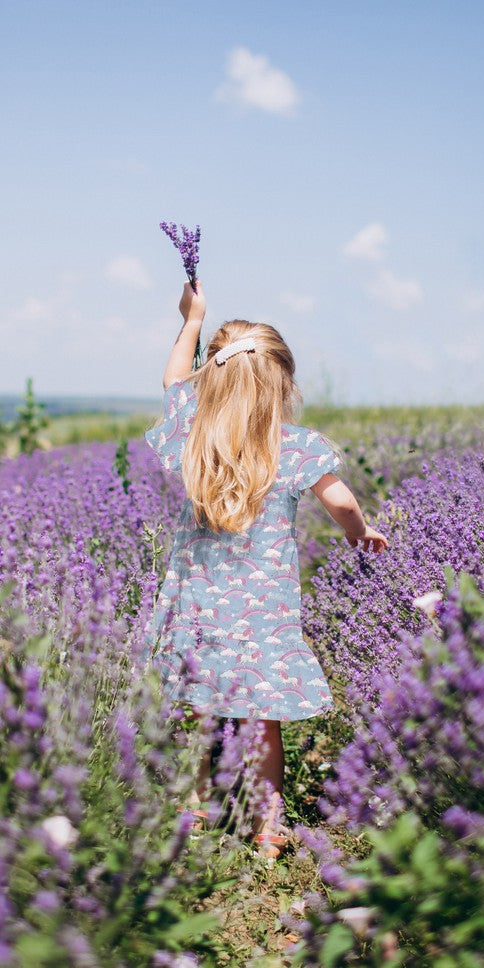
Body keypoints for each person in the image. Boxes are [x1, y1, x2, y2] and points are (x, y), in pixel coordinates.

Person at [144, 281, 388, 858]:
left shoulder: (195, 435)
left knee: (204, 713)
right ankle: (268, 829)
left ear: (213, 379)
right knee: (262, 724)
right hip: (267, 617)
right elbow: (344, 503)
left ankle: (199, 810)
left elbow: (173, 382)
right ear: (285, 383)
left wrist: (191, 321)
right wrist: (360, 534)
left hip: (198, 607)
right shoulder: (297, 446)